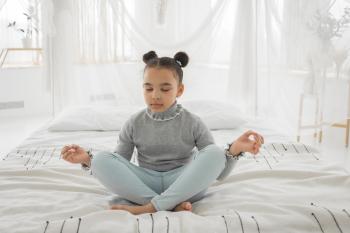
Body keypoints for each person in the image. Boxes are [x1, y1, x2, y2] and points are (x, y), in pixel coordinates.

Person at [61, 51, 264, 215]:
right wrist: (88, 160)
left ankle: (150, 207)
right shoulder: (133, 122)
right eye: (148, 88)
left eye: (165, 89)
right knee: (102, 159)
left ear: (179, 90)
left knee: (214, 152)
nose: (155, 95)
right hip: (144, 181)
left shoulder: (193, 122)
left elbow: (219, 171)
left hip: (184, 181)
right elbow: (118, 164)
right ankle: (170, 205)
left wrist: (236, 149)